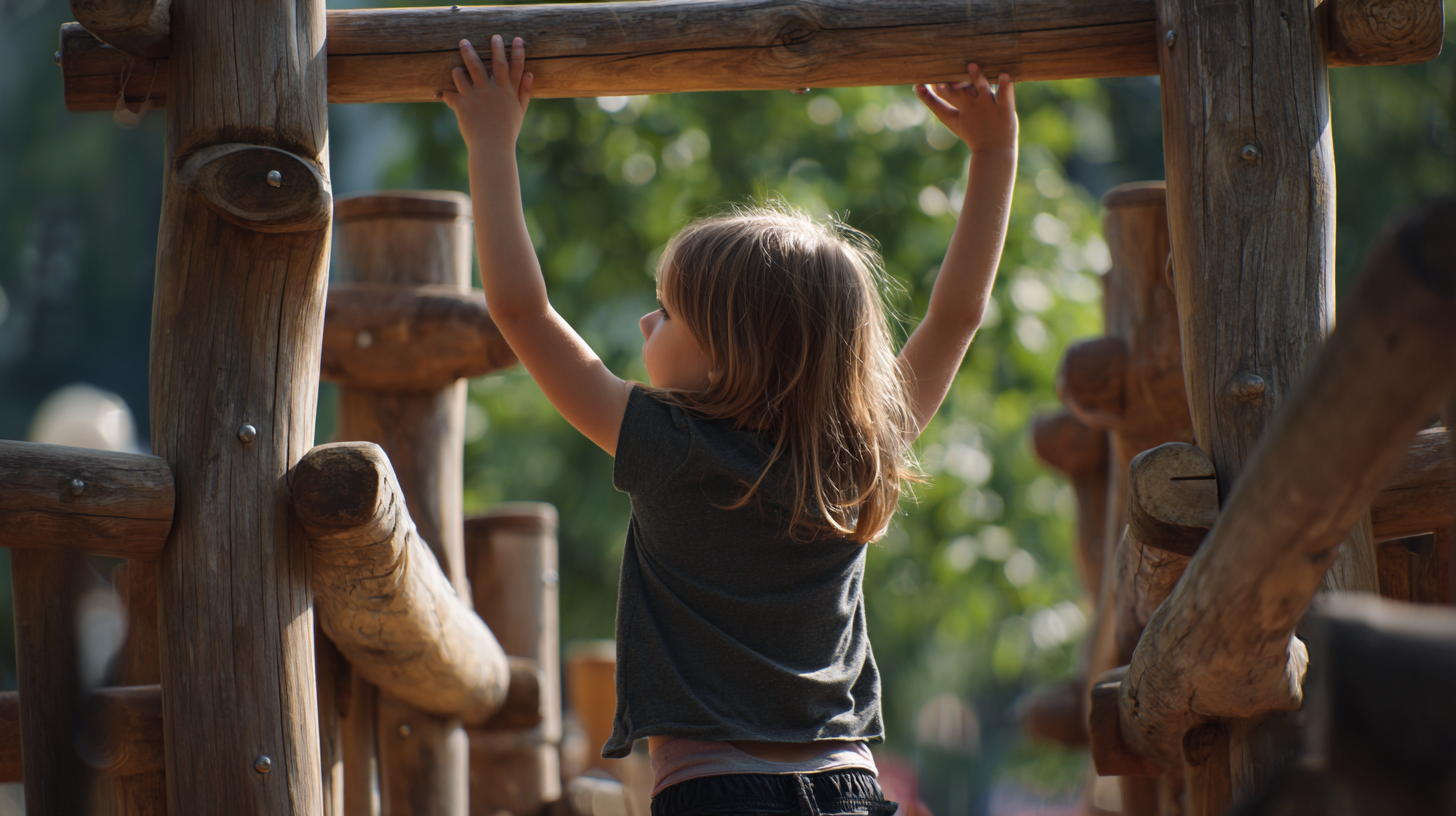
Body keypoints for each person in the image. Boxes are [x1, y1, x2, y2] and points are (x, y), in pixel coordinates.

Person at [442, 35, 1017, 816]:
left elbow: (520, 310)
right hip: (848, 785)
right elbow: (956, 318)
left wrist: (491, 142)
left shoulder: (664, 444)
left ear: (727, 356)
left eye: (670, 312)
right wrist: (993, 152)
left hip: (716, 791)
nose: (648, 320)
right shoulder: (850, 456)